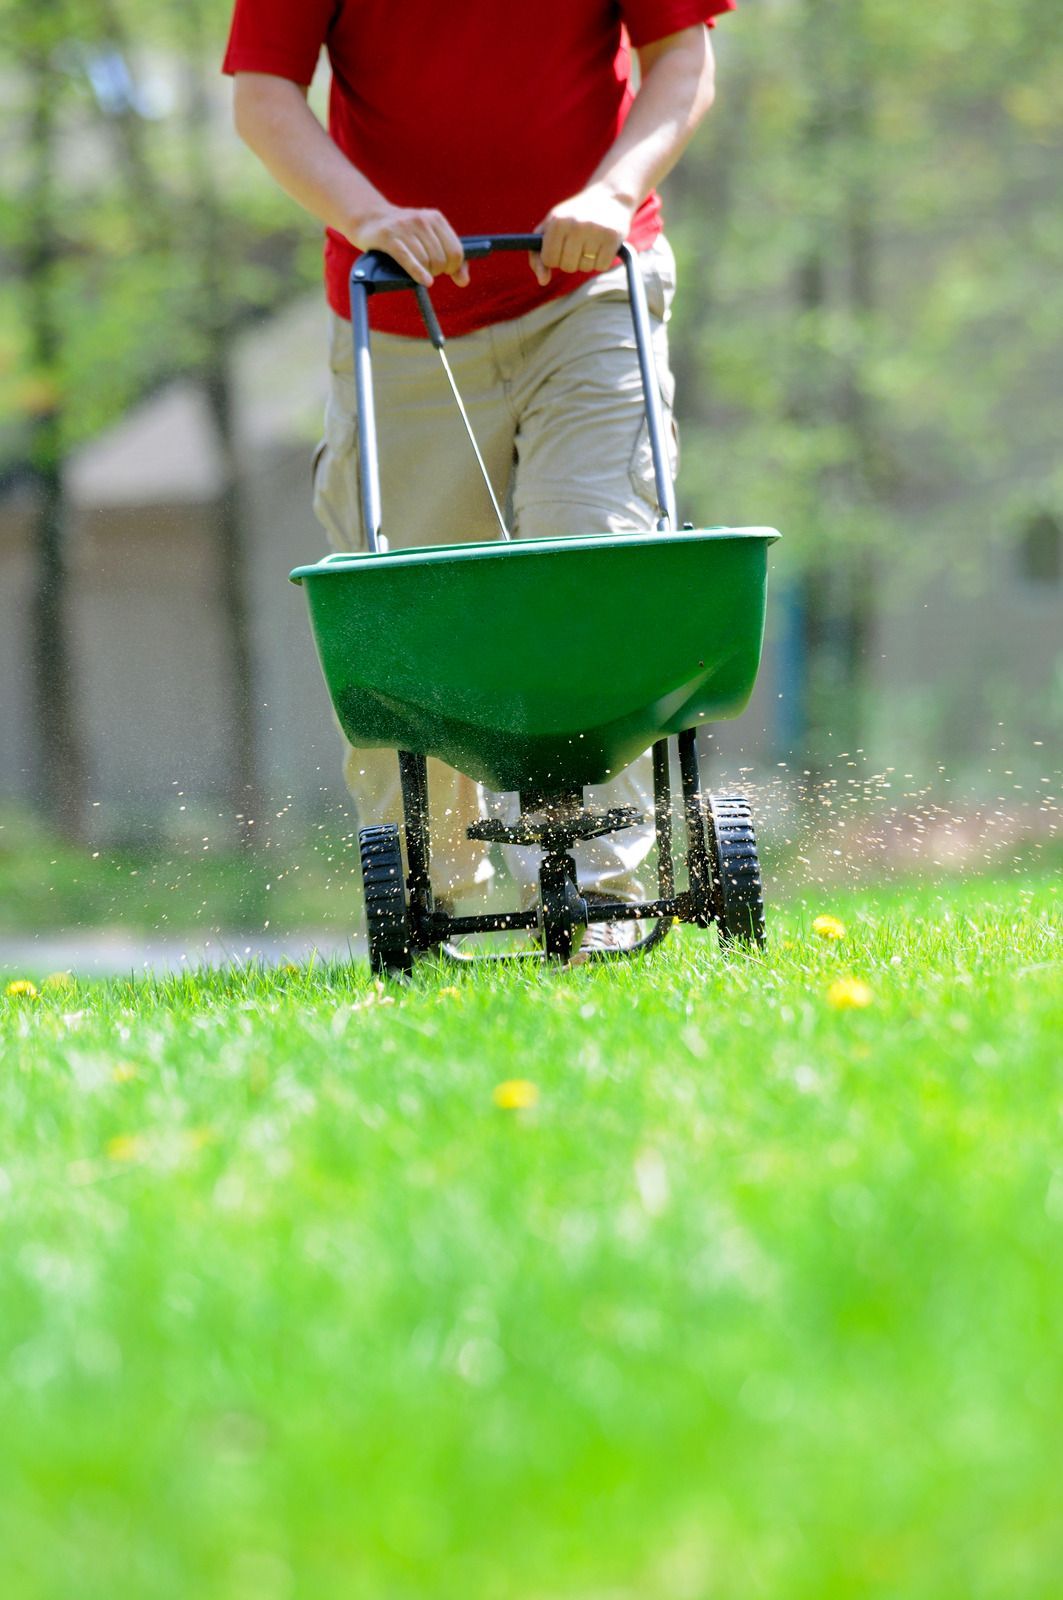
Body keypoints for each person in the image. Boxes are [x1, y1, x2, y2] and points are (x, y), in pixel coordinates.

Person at [223, 1, 734, 957]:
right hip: (402, 306)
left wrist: (613, 192)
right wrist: (369, 215)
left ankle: (606, 889)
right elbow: (264, 99)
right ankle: (438, 893)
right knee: (411, 604)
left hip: (586, 286)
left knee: (593, 554)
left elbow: (681, 56)